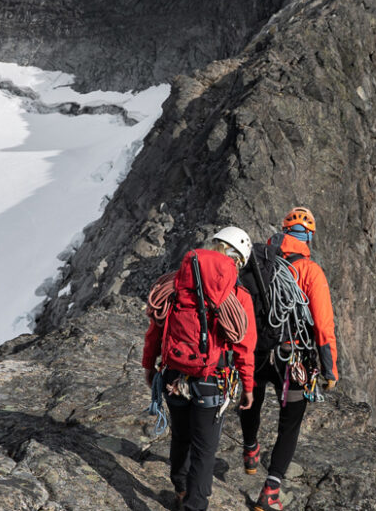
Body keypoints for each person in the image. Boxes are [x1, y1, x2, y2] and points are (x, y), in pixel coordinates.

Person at [143, 226, 257, 511]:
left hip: (173, 374)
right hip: (211, 380)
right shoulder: (238, 296)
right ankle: (194, 505)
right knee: (204, 450)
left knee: (181, 436)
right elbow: (244, 347)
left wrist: (149, 366)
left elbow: (155, 331)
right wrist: (248, 387)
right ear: (237, 260)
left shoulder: (176, 284)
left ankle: (180, 488)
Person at [238, 207, 339, 511]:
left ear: (282, 232)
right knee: (290, 421)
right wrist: (329, 368)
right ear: (308, 237)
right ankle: (270, 491)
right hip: (292, 356)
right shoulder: (311, 271)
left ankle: (250, 448)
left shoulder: (259, 263)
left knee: (250, 400)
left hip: (255, 351)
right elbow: (322, 324)